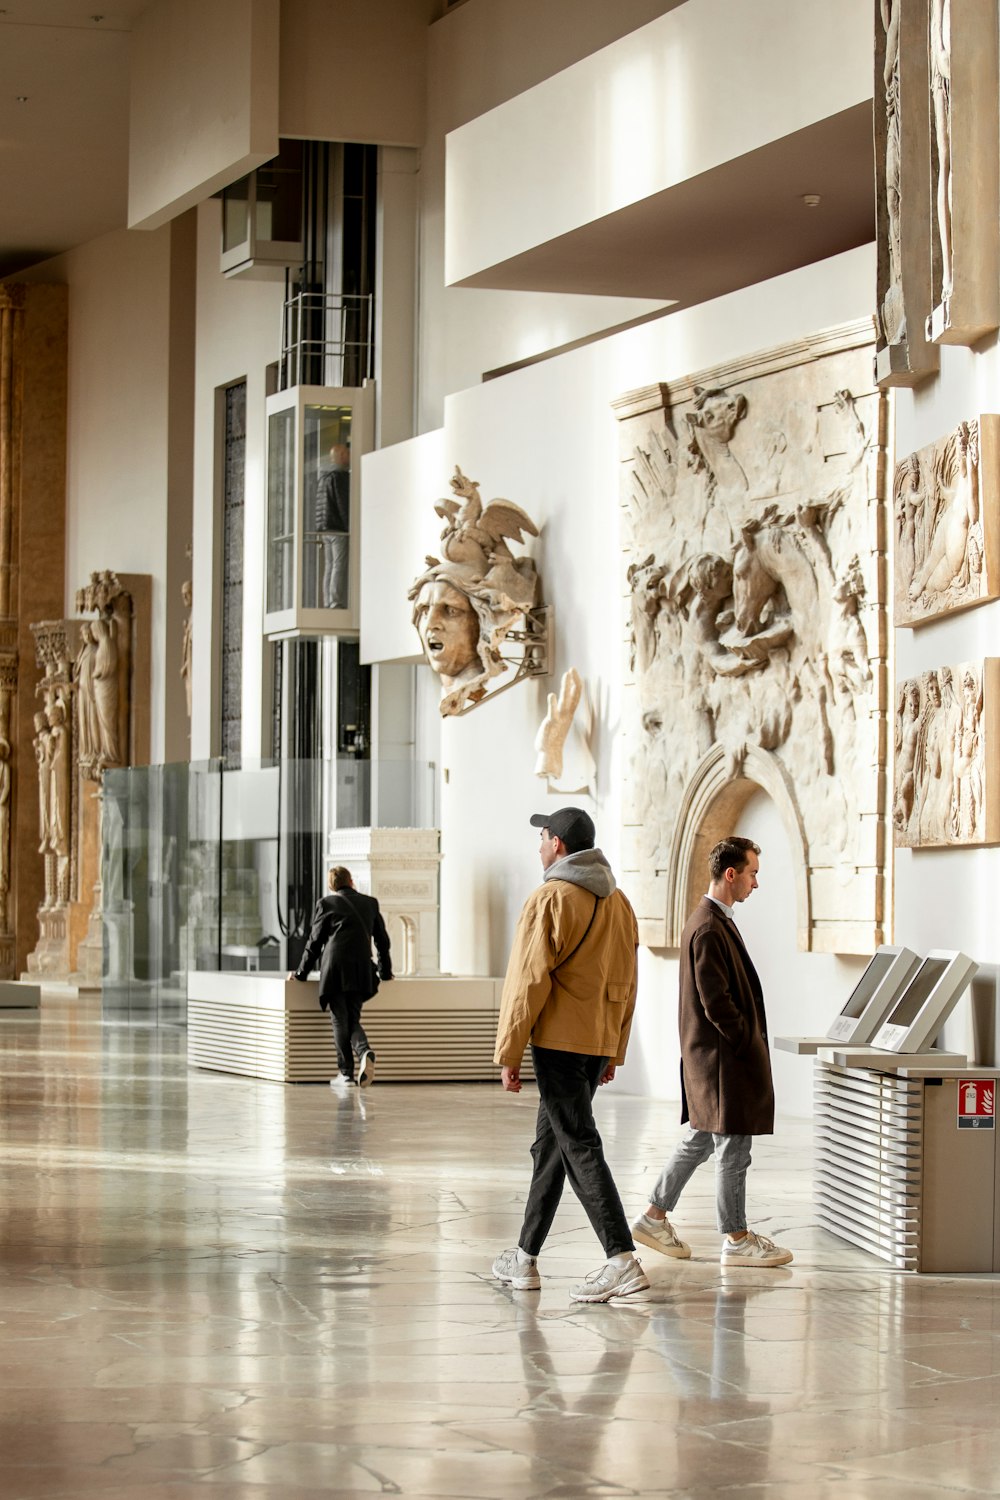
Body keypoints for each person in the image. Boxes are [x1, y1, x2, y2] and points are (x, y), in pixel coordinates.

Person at [492, 807, 649, 1303]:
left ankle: (621, 1258)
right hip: (595, 1043)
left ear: (557, 843)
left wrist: (509, 1051)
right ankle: (524, 1257)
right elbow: (627, 984)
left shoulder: (551, 898)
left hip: (558, 1043)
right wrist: (613, 1050)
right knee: (552, 1148)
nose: (539, 845)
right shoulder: (619, 903)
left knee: (577, 1142)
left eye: (542, 836)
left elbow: (527, 981)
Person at [631, 836, 792, 1269]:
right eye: (753, 873)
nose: (757, 883)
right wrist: (744, 1040)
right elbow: (715, 1001)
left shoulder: (714, 920)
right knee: (733, 1151)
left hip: (714, 1060)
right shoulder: (708, 925)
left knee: (701, 1139)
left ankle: (652, 1216)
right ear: (731, 873)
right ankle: (736, 1238)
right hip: (723, 1062)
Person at [291, 865, 392, 1089]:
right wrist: (385, 972)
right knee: (353, 1018)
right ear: (351, 881)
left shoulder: (326, 904)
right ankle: (364, 1051)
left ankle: (346, 1074)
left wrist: (301, 974)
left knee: (339, 1019)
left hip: (335, 968)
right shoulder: (370, 903)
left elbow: (314, 943)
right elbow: (382, 941)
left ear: (332, 885)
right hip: (361, 968)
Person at [316, 439, 351, 609]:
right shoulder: (340, 477)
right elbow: (343, 504)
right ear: (342, 456)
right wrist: (349, 526)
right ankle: (335, 601)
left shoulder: (323, 478)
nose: (350, 456)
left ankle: (328, 600)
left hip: (325, 528)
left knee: (329, 565)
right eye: (348, 453)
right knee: (338, 564)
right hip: (338, 528)